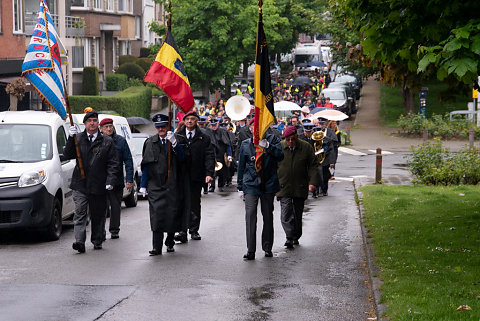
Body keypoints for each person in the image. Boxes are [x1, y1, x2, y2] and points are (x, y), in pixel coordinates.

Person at [65, 110, 119, 253]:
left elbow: (113, 163)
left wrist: (110, 180)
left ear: (97, 123)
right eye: (89, 121)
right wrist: (71, 138)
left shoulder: (107, 141)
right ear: (85, 124)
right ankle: (79, 241)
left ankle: (97, 239)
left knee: (98, 214)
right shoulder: (78, 139)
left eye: (94, 120)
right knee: (80, 212)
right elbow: (67, 154)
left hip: (99, 183)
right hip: (80, 184)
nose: (92, 123)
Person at [139, 114, 189, 255]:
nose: (161, 129)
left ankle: (170, 241)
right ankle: (156, 246)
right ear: (155, 127)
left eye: (163, 126)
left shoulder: (176, 140)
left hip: (172, 184)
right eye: (158, 127)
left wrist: (174, 144)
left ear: (168, 126)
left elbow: (182, 159)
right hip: (155, 185)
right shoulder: (150, 142)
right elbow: (146, 165)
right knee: (156, 216)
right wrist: (143, 185)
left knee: (172, 214)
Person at [237, 119, 284, 260]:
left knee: (267, 215)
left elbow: (280, 156)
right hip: (251, 184)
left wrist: (268, 146)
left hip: (268, 182)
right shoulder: (246, 144)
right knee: (250, 215)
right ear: (250, 128)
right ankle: (250, 249)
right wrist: (240, 186)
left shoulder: (273, 139)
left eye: (259, 126)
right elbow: (241, 167)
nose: (256, 129)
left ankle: (267, 247)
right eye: (253, 126)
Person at [174, 110, 215, 243]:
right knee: (180, 202)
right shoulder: (178, 136)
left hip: (196, 175)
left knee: (194, 203)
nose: (190, 121)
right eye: (187, 119)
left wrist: (209, 173)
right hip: (181, 175)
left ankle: (194, 229)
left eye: (192, 119)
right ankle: (182, 230)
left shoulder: (204, 137)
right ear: (184, 121)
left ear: (196, 121)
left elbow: (209, 156)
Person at [277, 126, 319, 248]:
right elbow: (273, 166)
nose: (290, 142)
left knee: (297, 213)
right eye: (288, 139)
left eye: (292, 139)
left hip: (300, 185)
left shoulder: (306, 147)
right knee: (286, 213)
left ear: (297, 136)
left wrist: (312, 183)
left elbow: (313, 166)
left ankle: (296, 235)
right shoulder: (279, 147)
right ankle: (289, 236)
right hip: (283, 185)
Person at [99, 118, 134, 239]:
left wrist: (129, 179)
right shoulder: (98, 141)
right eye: (106, 127)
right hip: (101, 180)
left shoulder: (120, 141)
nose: (109, 129)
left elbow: (128, 160)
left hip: (116, 180)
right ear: (101, 129)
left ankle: (114, 230)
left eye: (110, 126)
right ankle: (100, 231)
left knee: (115, 206)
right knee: (101, 207)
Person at [317, 118, 338, 196]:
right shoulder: (316, 132)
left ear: (325, 124)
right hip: (318, 157)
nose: (321, 126)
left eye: (322, 124)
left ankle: (324, 189)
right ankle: (318, 189)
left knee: (325, 175)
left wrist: (332, 161)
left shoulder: (331, 132)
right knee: (318, 173)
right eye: (320, 124)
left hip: (327, 157)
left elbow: (334, 146)